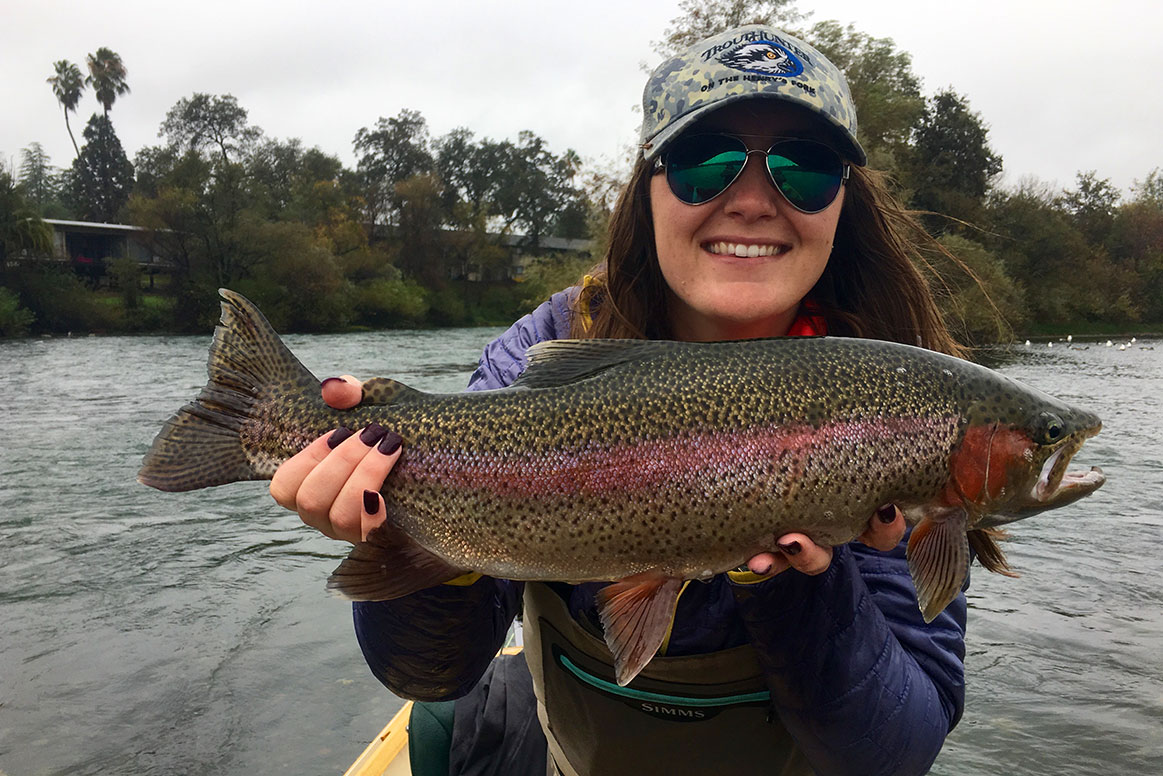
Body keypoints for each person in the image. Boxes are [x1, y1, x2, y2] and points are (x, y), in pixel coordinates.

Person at [271, 24, 968, 776]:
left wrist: (798, 584)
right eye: (708, 161)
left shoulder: (902, 397)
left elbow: (895, 751)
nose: (754, 201)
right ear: (651, 184)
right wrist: (397, 534)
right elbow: (431, 676)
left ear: (842, 203)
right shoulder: (549, 344)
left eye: (805, 167)